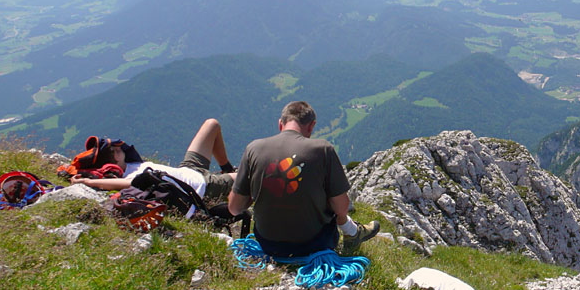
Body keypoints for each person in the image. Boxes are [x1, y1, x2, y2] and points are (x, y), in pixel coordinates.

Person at [228, 101, 379, 256]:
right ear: (312, 125)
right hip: (314, 244)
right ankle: (352, 233)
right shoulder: (323, 150)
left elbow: (234, 208)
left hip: (267, 243)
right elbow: (342, 207)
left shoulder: (253, 148)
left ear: (280, 124)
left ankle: (352, 232)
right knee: (330, 197)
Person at [71, 118, 238, 216]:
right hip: (202, 187)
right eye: (117, 149)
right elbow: (128, 184)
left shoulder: (131, 164)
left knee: (212, 124)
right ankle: (232, 177)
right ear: (115, 155)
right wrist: (88, 182)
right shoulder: (129, 178)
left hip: (188, 169)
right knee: (252, 174)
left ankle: (227, 169)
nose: (122, 147)